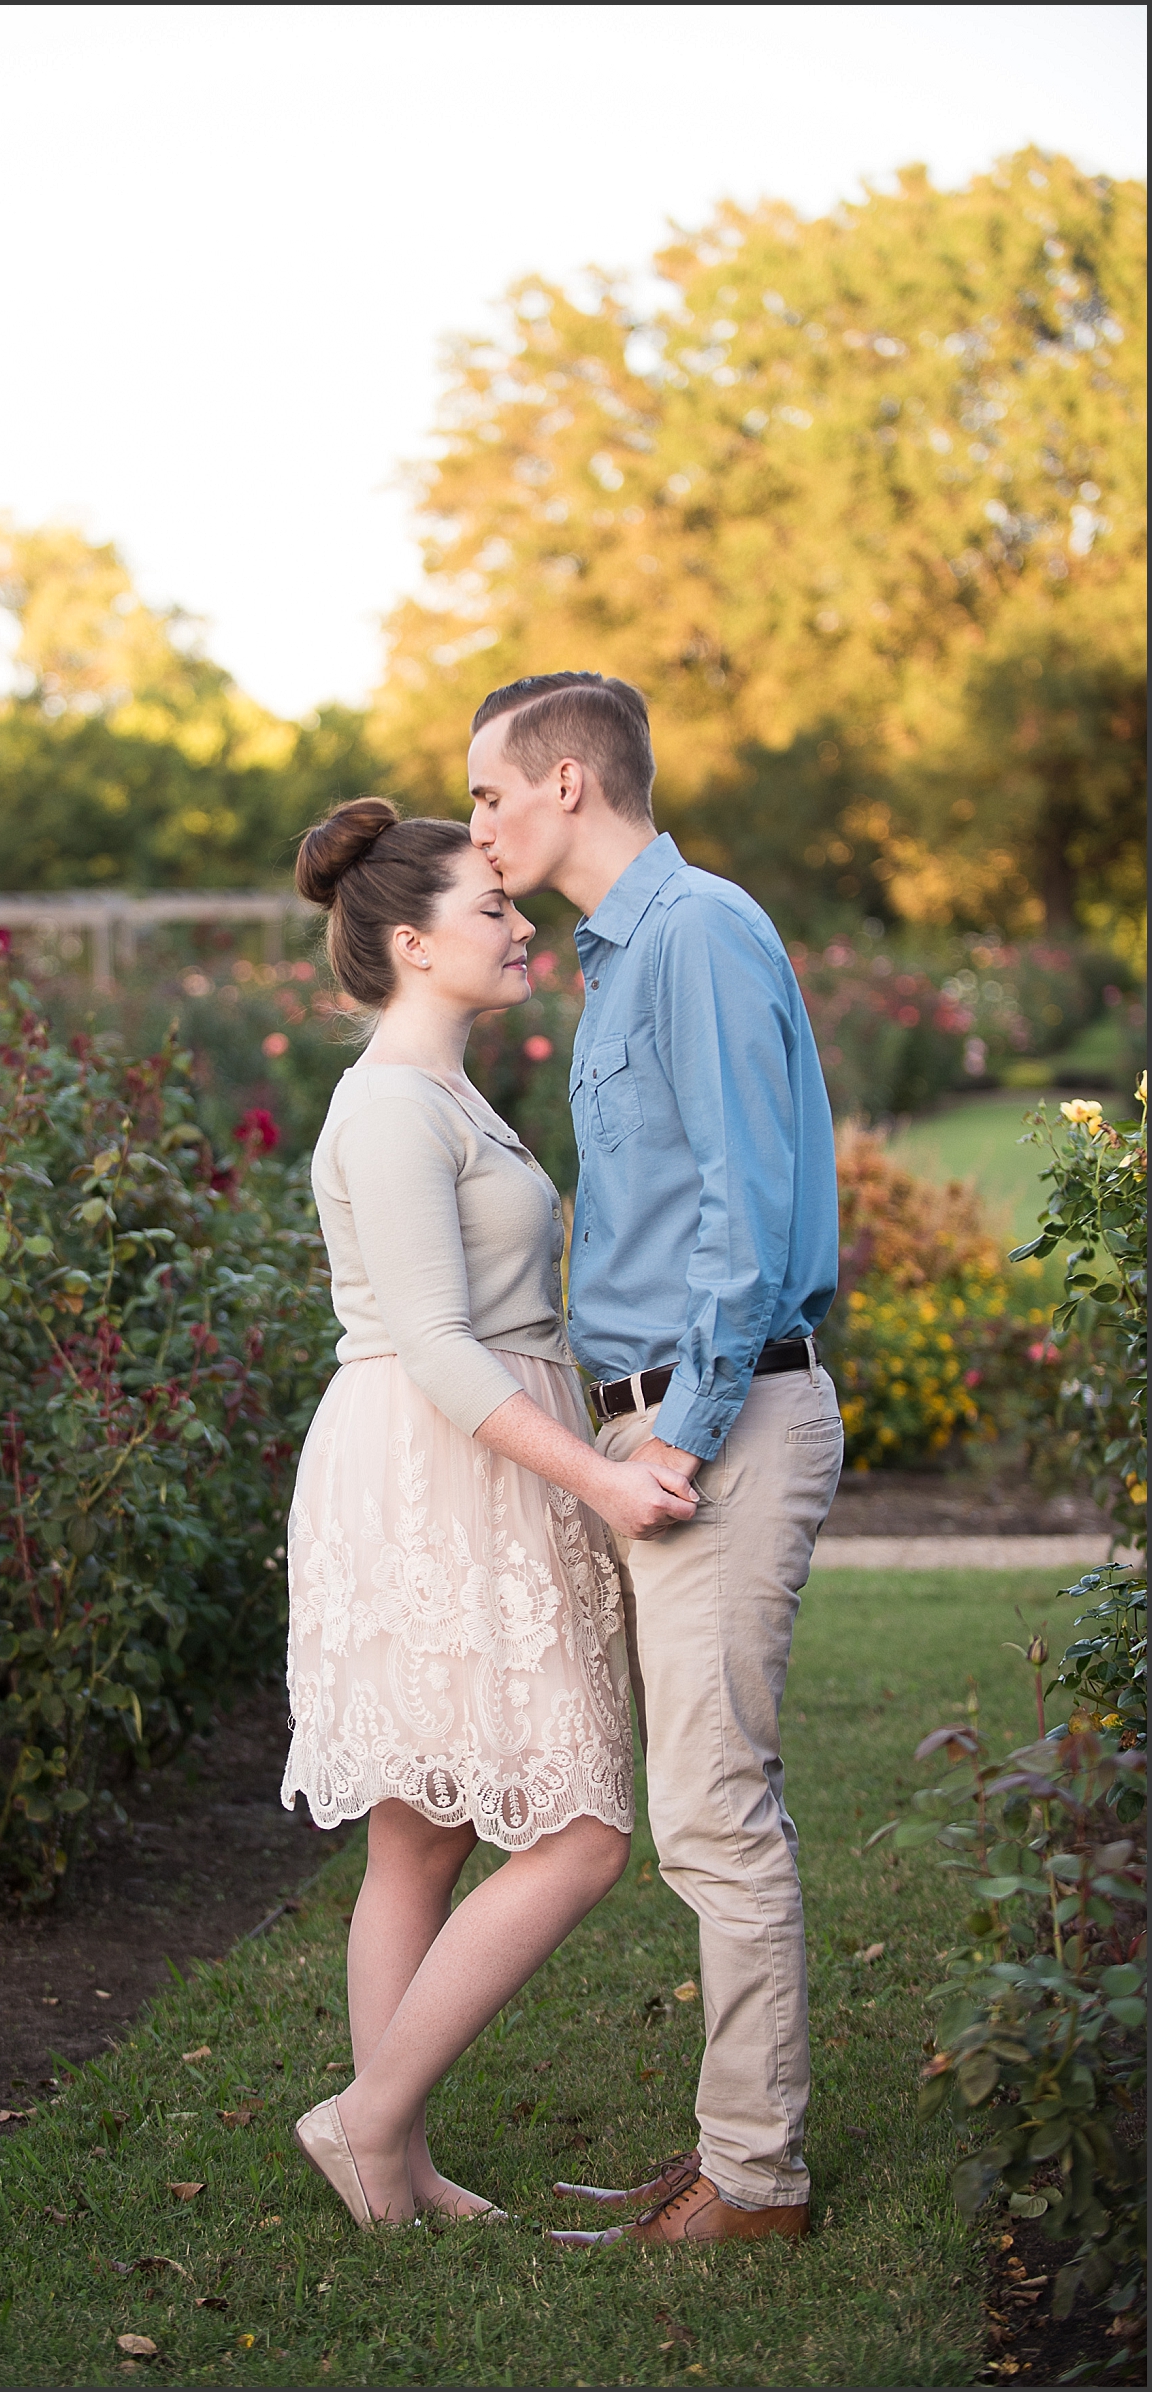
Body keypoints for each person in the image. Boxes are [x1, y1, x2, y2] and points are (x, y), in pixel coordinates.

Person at [280, 797, 700, 2227]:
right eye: (490, 910)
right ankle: (366, 2118)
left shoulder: (447, 1092)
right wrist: (600, 1476)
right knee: (579, 1829)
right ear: (410, 942)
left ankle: (388, 2162)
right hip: (440, 1462)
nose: (522, 923)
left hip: (479, 1452)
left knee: (424, 1833)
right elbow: (441, 1345)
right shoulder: (392, 1104)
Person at [468, 671, 842, 2247]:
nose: (478, 825)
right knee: (704, 1798)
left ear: (566, 782)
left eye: (488, 793)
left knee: (710, 1810)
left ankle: (757, 2182)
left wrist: (670, 1442)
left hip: (724, 1414)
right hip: (673, 1414)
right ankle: (728, 2150)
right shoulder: (626, 955)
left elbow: (751, 1221)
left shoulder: (693, 933)